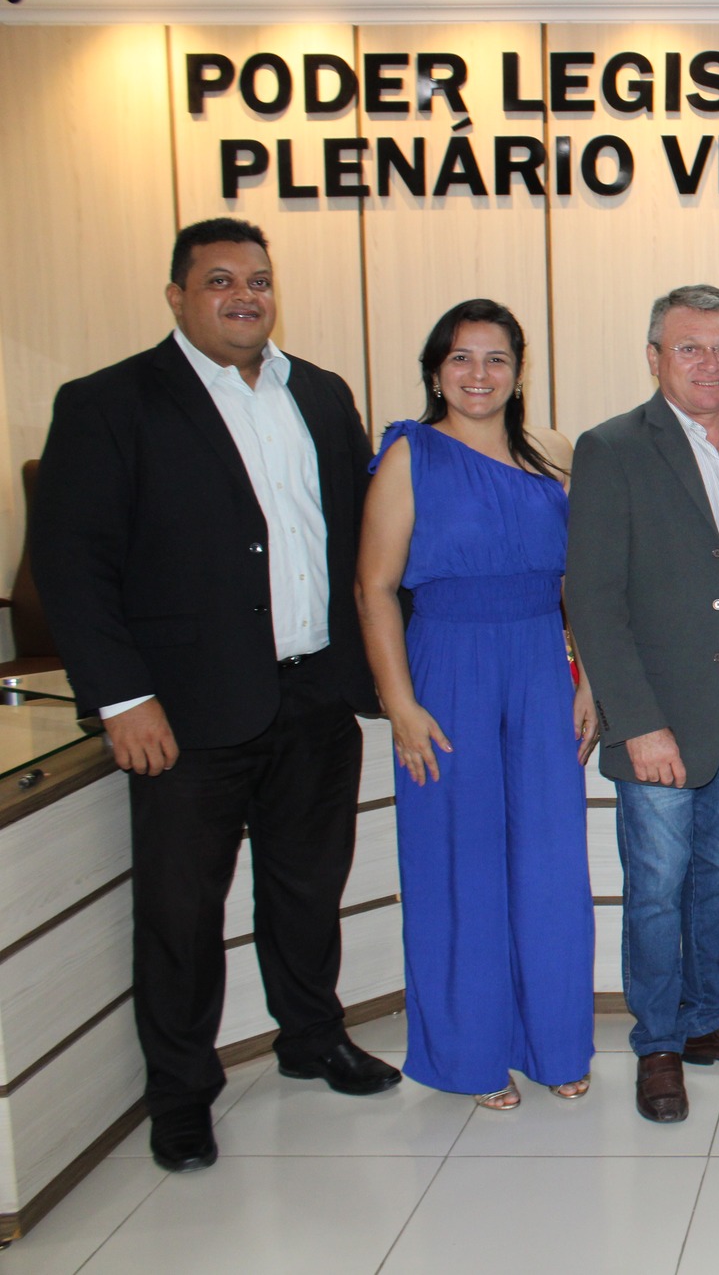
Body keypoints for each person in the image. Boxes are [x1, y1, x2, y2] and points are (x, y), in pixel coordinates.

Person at [30, 217, 399, 1174]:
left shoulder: (320, 393)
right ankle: (182, 1093)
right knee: (183, 913)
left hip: (313, 693)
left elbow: (360, 537)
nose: (245, 296)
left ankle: (310, 1036)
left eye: (259, 280)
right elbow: (72, 564)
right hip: (186, 712)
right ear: (177, 296)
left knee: (306, 889)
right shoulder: (109, 402)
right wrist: (122, 699)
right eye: (221, 280)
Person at [567, 285, 719, 1125]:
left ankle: (710, 1020)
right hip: (661, 721)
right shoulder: (612, 448)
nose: (711, 364)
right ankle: (659, 1044)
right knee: (656, 887)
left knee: (718, 879)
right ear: (655, 358)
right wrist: (636, 722)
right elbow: (593, 599)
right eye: (690, 348)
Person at [355, 299, 597, 1109]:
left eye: (496, 358)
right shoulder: (408, 455)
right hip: (448, 668)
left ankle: (552, 1042)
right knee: (458, 860)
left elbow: (578, 580)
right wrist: (400, 703)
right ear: (435, 372)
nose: (479, 374)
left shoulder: (554, 452)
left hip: (539, 665)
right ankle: (470, 1054)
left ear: (519, 372)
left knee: (549, 860)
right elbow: (374, 587)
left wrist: (590, 677)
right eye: (461, 357)